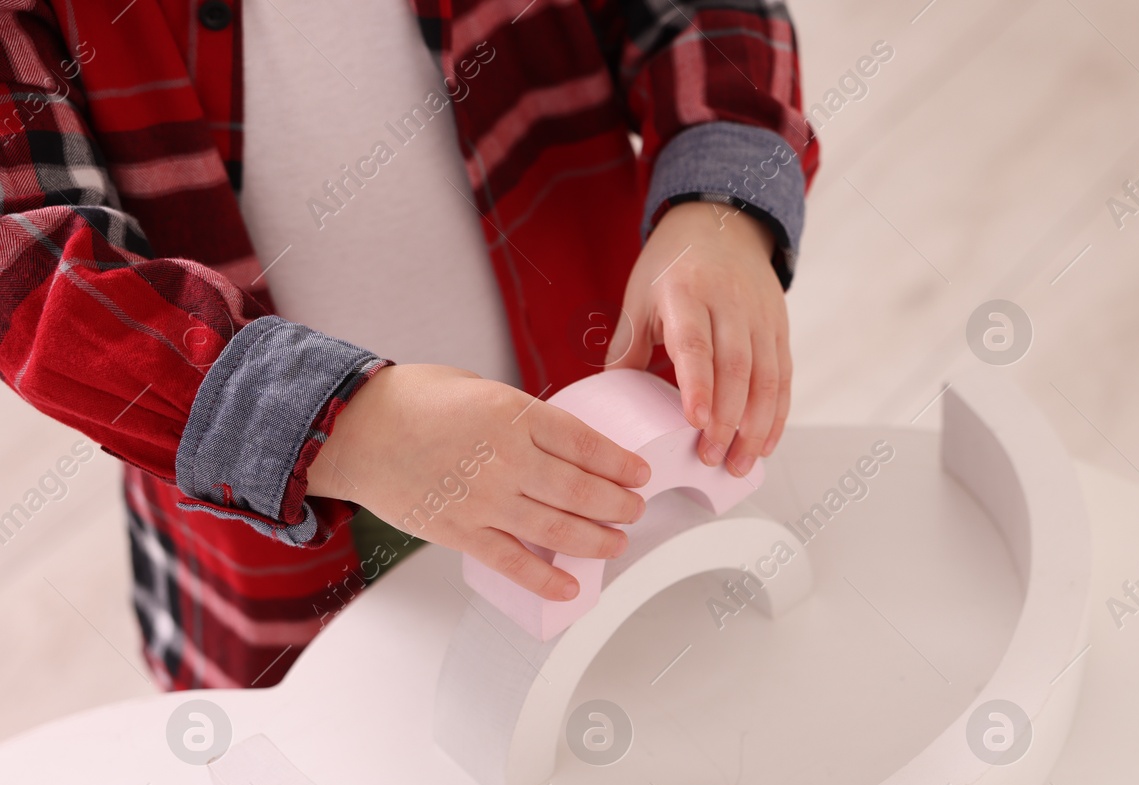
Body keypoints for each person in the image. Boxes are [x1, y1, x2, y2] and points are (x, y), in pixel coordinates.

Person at [0, 0, 817, 689]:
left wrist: (722, 202)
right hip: (263, 535)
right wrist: (348, 427)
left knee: (658, 690)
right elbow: (32, 268)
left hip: (603, 428)